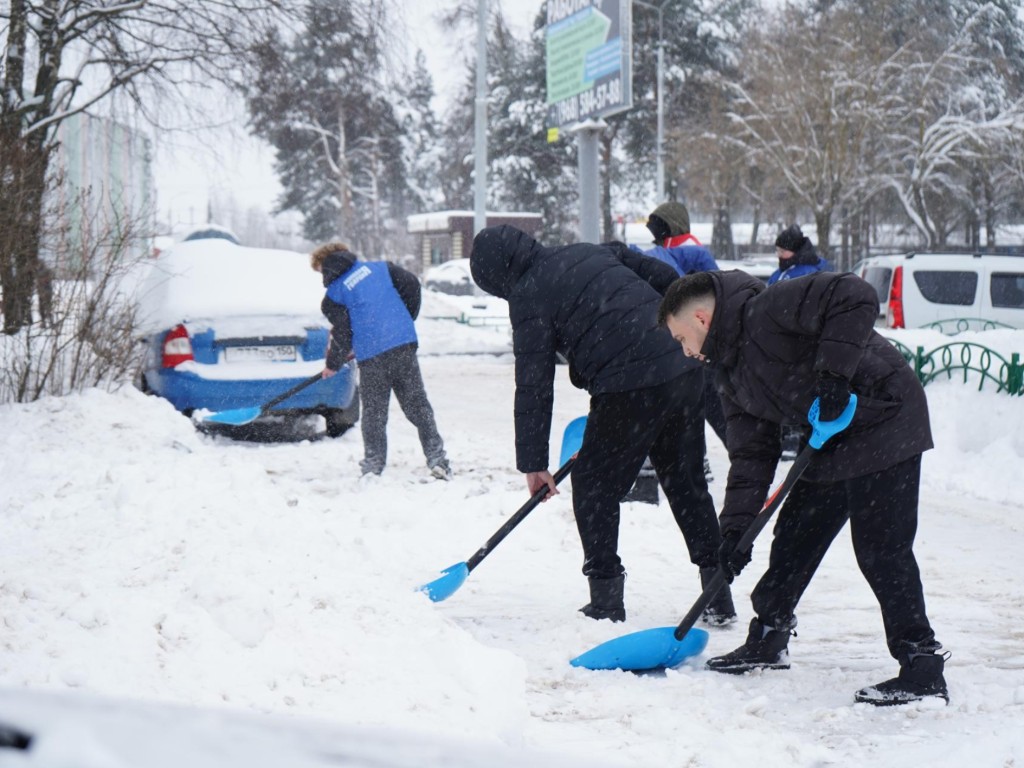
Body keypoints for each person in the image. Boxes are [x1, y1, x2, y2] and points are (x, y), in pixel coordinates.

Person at [657, 269, 948, 706]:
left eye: (681, 339)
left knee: (880, 547)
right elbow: (751, 457)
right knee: (796, 535)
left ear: (701, 319)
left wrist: (834, 376)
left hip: (884, 417)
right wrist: (733, 532)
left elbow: (854, 294)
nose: (685, 351)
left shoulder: (767, 309)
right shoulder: (730, 376)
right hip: (831, 435)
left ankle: (922, 664)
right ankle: (768, 637)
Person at [470, 225, 735, 626]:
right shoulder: (592, 250)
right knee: (686, 482)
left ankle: (606, 598)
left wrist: (534, 463)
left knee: (594, 486)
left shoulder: (528, 295)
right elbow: (668, 279)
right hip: (681, 366)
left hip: (628, 384)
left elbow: (534, 385)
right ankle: (717, 593)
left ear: (498, 277)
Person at [311, 242, 450, 480]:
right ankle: (438, 460)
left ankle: (373, 466)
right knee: (418, 407)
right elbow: (412, 285)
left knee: (374, 414)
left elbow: (343, 332)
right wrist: (404, 319)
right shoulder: (383, 268)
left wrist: (333, 364)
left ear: (324, 267)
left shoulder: (334, 295)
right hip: (402, 345)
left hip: (372, 356)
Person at [632, 201, 725, 480]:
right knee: (700, 403)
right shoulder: (677, 250)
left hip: (693, 340)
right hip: (689, 339)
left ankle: (728, 456)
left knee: (704, 402)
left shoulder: (684, 250)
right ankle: (702, 458)